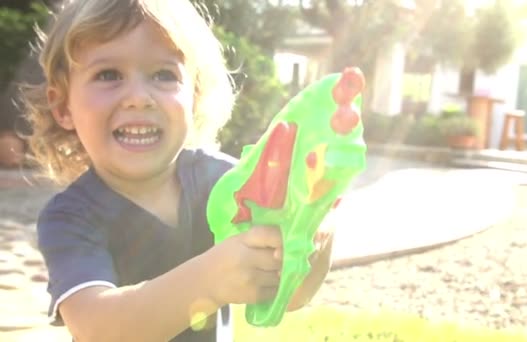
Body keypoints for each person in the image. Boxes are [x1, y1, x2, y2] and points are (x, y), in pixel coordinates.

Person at [22, 0, 334, 341]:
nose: (138, 98)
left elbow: (292, 294)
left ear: (194, 97)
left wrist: (312, 226)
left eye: (163, 75)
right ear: (62, 106)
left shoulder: (225, 184)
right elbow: (98, 328)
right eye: (108, 75)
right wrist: (210, 279)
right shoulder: (71, 216)